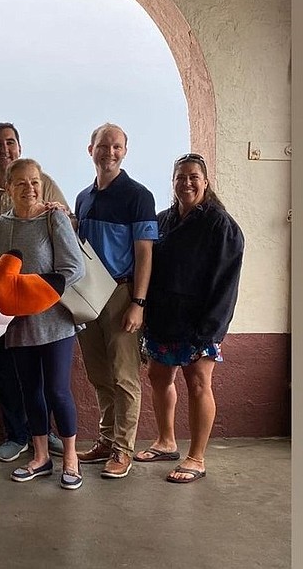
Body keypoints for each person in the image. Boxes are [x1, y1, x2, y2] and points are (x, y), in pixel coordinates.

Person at [134, 153, 244, 483]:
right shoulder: (163, 220)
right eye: (180, 177)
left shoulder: (220, 225)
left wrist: (211, 330)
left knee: (198, 383)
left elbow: (227, 282)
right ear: (173, 182)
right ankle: (166, 442)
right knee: (158, 376)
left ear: (206, 182)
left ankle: (196, 457)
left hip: (200, 324)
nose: (187, 183)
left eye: (194, 177)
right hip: (164, 320)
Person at [0, 159, 85, 490]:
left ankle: (71, 458)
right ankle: (41, 457)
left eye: (35, 182)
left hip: (56, 321)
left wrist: (36, 291)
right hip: (19, 324)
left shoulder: (54, 217)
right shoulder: (0, 226)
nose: (29, 188)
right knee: (29, 391)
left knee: (57, 390)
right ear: (8, 188)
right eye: (21, 183)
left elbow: (74, 268)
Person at [0, 122, 69, 462]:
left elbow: (65, 220)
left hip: (38, 300)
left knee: (44, 376)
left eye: (11, 142)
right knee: (3, 370)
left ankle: (43, 436)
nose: (5, 148)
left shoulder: (40, 180)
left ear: (19, 147)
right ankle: (17, 434)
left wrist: (59, 212)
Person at [74, 122, 158, 479]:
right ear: (90, 149)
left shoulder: (138, 196)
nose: (110, 152)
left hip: (121, 294)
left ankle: (123, 449)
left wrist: (138, 302)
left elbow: (145, 254)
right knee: (99, 374)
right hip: (87, 296)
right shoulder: (83, 197)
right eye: (103, 145)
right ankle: (107, 440)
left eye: (117, 147)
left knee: (125, 377)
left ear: (125, 151)